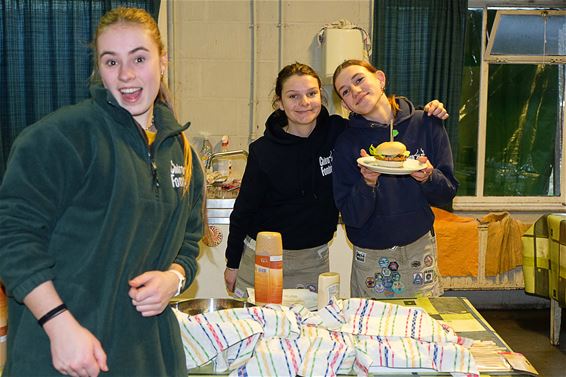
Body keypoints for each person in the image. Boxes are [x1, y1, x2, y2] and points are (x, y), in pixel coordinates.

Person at [0, 7, 204, 377]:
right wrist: (59, 324)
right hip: (61, 354)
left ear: (163, 63)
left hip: (146, 356)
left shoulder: (183, 154)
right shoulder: (62, 138)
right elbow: (12, 237)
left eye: (139, 59)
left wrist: (172, 278)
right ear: (99, 68)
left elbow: (189, 243)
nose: (126, 75)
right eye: (112, 62)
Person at [224, 62, 448, 298]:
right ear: (279, 103)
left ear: (321, 96)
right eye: (293, 96)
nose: (304, 103)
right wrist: (232, 263)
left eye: (311, 94)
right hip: (263, 258)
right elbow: (243, 211)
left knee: (307, 332)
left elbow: (380, 120)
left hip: (313, 260)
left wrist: (426, 112)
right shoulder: (263, 151)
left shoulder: (338, 132)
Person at [332, 59, 458, 299]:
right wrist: (367, 183)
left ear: (380, 78)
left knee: (422, 328)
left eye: (359, 80)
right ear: (345, 104)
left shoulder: (427, 123)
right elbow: (352, 217)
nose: (355, 91)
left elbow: (447, 193)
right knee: (372, 332)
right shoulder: (347, 144)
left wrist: (428, 177)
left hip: (419, 251)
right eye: (345, 91)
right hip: (371, 256)